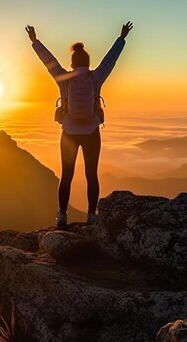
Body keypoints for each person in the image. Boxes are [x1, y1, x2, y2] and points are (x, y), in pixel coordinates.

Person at [26, 22, 133, 227]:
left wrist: (35, 41)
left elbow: (48, 60)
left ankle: (62, 215)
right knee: (91, 174)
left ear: (73, 63)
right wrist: (121, 38)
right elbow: (111, 60)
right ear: (87, 62)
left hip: (69, 133)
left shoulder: (63, 78)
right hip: (92, 131)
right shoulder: (96, 77)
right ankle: (92, 215)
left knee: (67, 175)